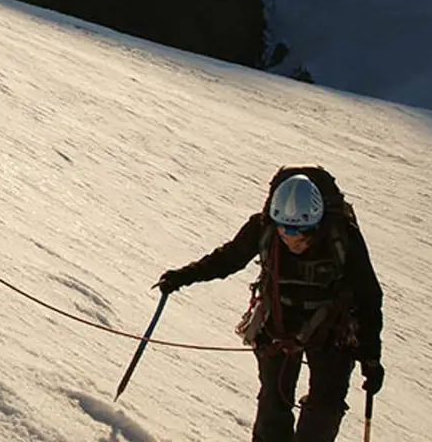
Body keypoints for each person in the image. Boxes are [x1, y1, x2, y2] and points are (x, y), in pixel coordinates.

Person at [155, 167, 384, 442]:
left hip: (330, 330)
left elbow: (368, 295)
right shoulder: (263, 228)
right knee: (274, 403)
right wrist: (183, 276)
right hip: (279, 322)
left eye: (300, 233)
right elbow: (229, 258)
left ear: (317, 224)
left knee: (325, 408)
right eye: (284, 230)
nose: (290, 239)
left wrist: (371, 357)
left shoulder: (343, 237)